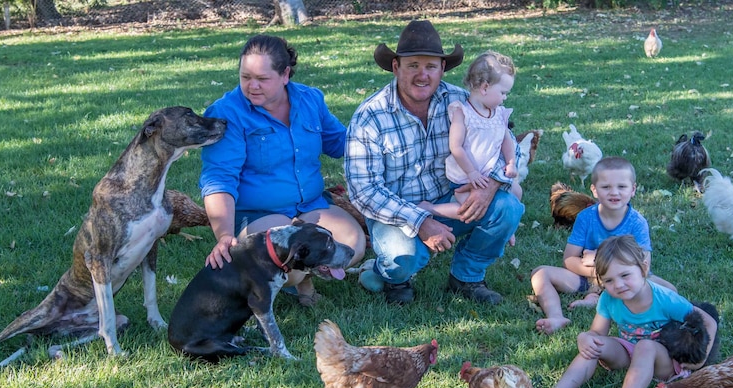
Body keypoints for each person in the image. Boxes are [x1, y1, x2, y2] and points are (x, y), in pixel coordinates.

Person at [344, 20, 524, 305]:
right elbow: (364, 191)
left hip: (453, 199)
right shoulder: (371, 116)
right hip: (398, 211)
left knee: (507, 207)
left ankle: (467, 277)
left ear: (442, 68)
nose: (422, 75)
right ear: (395, 67)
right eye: (413, 65)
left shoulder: (463, 101)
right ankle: (391, 275)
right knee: (401, 256)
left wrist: (489, 185)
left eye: (430, 66)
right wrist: (421, 221)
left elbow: (509, 142)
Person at [199, 34, 366, 306]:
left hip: (310, 205)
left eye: (262, 79)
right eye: (245, 77)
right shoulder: (226, 113)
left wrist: (381, 142)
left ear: (285, 74)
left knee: (351, 247)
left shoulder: (310, 100)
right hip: (258, 213)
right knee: (280, 259)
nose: (251, 86)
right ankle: (297, 282)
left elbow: (340, 143)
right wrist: (225, 236)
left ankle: (302, 278)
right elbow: (219, 179)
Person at [553, 235, 717, 388]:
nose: (618, 285)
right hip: (629, 353)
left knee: (645, 346)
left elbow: (709, 321)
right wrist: (585, 337)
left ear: (644, 268)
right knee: (595, 346)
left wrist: (700, 361)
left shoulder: (665, 299)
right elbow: (597, 332)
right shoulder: (608, 299)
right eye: (609, 280)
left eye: (625, 275)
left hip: (663, 359)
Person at [530, 156, 676, 334]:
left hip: (626, 279)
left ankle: (598, 298)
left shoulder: (637, 222)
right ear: (594, 190)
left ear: (633, 189)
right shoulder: (586, 217)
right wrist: (599, 273)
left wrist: (600, 262)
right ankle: (556, 316)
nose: (614, 192)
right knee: (540, 273)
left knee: (669, 290)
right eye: (606, 187)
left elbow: (643, 266)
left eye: (621, 187)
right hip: (587, 276)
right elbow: (569, 259)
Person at [418, 50, 520, 221]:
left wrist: (511, 163)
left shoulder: (498, 114)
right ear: (485, 87)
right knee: (469, 209)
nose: (505, 98)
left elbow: (507, 141)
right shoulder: (462, 113)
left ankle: (509, 223)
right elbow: (456, 147)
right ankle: (431, 209)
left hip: (489, 174)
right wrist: (472, 173)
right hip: (465, 176)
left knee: (517, 192)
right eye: (503, 92)